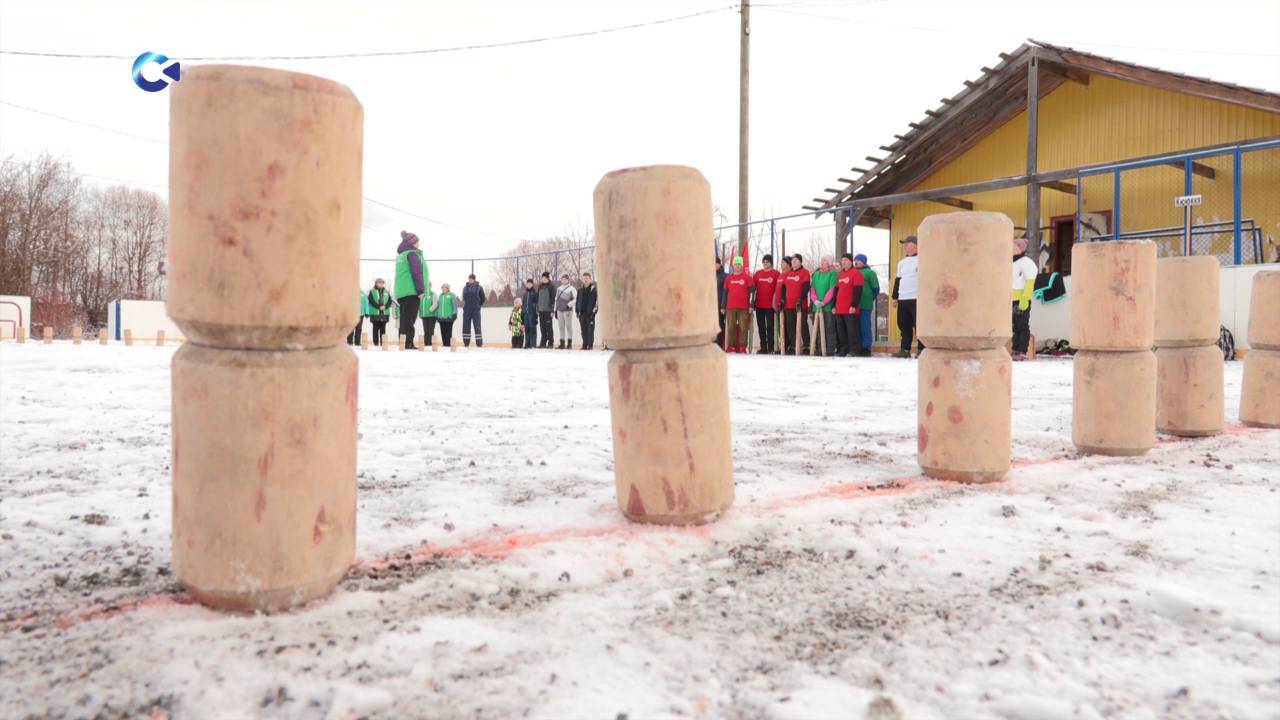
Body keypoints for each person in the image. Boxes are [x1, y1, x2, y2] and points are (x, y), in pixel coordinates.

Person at [394, 231, 428, 350]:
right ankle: (408, 343)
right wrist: (420, 290)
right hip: (411, 291)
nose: (419, 243)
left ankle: (403, 342)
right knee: (410, 319)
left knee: (404, 318)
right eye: (417, 241)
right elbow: (417, 272)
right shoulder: (412, 254)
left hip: (402, 292)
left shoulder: (401, 256)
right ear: (412, 243)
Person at [891, 235, 922, 358]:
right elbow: (898, 280)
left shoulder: (923, 259)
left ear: (916, 245)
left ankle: (921, 350)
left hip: (917, 297)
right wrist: (895, 297)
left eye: (907, 244)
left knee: (919, 325)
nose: (904, 246)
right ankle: (904, 350)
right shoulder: (901, 263)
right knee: (904, 325)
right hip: (903, 298)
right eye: (904, 244)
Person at [1011, 236, 1038, 361]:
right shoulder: (1011, 262)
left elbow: (1030, 281)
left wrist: (1025, 298)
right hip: (1011, 299)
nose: (1011, 248)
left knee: (1022, 324)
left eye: (1014, 246)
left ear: (1020, 248)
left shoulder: (1026, 262)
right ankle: (1015, 349)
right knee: (1014, 325)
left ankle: (1022, 350)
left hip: (1021, 299)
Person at [833, 253, 864, 357]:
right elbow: (836, 291)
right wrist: (834, 305)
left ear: (851, 261)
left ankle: (854, 350)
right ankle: (844, 349)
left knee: (852, 330)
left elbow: (858, 291)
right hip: (839, 308)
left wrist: (854, 305)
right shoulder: (840, 274)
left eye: (846, 260)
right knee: (841, 331)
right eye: (842, 260)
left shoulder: (856, 273)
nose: (844, 262)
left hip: (850, 308)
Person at [722, 256, 755, 353]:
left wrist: (751, 305)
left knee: (743, 327)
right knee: (731, 327)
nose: (737, 266)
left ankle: (742, 347)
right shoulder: (728, 278)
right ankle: (731, 346)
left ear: (742, 265)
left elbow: (752, 293)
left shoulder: (748, 278)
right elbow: (725, 293)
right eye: (736, 264)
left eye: (739, 264)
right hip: (730, 307)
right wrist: (723, 306)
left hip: (744, 307)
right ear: (733, 265)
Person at [781, 254, 811, 355]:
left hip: (800, 305)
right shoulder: (788, 273)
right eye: (793, 260)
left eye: (796, 260)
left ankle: (807, 345)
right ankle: (794, 345)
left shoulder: (805, 272)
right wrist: (782, 300)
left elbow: (806, 287)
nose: (794, 261)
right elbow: (783, 287)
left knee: (802, 325)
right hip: (788, 305)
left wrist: (800, 299)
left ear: (800, 261)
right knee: (790, 325)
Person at [809, 256, 838, 356]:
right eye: (821, 261)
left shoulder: (832, 273)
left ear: (829, 263)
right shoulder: (816, 274)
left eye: (825, 261)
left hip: (827, 306)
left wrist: (824, 302)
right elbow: (812, 289)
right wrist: (815, 300)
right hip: (816, 306)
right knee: (817, 329)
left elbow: (832, 289)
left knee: (829, 328)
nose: (823, 263)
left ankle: (829, 349)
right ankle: (819, 348)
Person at [752, 254, 780, 355]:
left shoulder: (776, 273)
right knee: (761, 327)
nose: (765, 264)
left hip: (770, 306)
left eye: (767, 262)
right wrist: (751, 303)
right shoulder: (757, 274)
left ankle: (771, 347)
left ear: (771, 263)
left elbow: (779, 289)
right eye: (763, 262)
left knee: (770, 326)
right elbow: (752, 288)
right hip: (759, 305)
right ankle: (763, 347)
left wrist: (777, 303)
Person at [854, 254, 880, 357]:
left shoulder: (870, 273)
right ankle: (857, 346)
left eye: (858, 260)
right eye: (855, 260)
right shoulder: (853, 272)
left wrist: (869, 298)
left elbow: (876, 289)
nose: (856, 262)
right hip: (853, 305)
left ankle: (866, 347)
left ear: (864, 262)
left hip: (865, 304)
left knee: (865, 325)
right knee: (855, 327)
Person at [461, 274, 486, 348]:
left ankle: (479, 344)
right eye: (469, 279)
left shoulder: (479, 287)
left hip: (476, 309)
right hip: (467, 309)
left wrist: (478, 305)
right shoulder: (465, 288)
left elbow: (483, 298)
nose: (470, 280)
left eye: (472, 279)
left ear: (474, 279)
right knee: (466, 326)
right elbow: (464, 298)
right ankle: (466, 343)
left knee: (477, 326)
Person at [554, 274, 578, 349]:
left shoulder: (572, 289)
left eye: (565, 279)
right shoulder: (559, 289)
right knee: (561, 327)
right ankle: (562, 343)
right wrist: (555, 310)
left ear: (568, 280)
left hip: (567, 310)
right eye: (562, 279)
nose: (563, 280)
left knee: (568, 326)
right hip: (559, 310)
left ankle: (569, 343)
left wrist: (569, 305)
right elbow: (556, 300)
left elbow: (576, 299)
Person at [367, 278, 392, 347]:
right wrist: (379, 307)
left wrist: (385, 306)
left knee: (383, 329)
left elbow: (390, 301)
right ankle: (376, 343)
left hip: (384, 313)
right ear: (376, 283)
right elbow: (371, 301)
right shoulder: (372, 291)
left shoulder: (387, 291)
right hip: (375, 313)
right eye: (379, 282)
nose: (381, 284)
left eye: (382, 283)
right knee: (375, 328)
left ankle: (383, 343)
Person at [576, 272, 598, 350]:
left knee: (590, 330)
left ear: (590, 279)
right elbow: (577, 301)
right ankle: (584, 345)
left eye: (587, 278)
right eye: (584, 278)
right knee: (583, 330)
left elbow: (596, 302)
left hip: (590, 314)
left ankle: (590, 345)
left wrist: (593, 313)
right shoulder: (580, 290)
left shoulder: (594, 290)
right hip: (581, 313)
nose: (585, 280)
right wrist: (577, 311)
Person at [536, 272, 555, 348]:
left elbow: (554, 299)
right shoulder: (540, 286)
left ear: (548, 278)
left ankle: (550, 343)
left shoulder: (552, 287)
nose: (543, 279)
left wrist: (552, 310)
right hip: (541, 310)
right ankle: (543, 343)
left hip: (548, 311)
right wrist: (537, 308)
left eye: (545, 278)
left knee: (549, 328)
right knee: (542, 327)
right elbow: (538, 298)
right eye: (542, 278)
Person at [521, 278, 539, 349]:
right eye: (527, 283)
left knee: (532, 329)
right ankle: (527, 344)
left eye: (530, 283)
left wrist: (535, 314)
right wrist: (523, 312)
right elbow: (523, 304)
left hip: (532, 313)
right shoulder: (525, 293)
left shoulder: (534, 293)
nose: (528, 285)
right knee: (527, 329)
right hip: (526, 314)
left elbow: (537, 304)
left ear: (532, 284)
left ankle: (533, 344)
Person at [715, 256, 728, 348]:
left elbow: (726, 291)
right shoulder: (707, 275)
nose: (714, 265)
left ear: (720, 264)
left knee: (719, 325)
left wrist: (723, 305)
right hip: (709, 305)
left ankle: (719, 344)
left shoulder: (725, 276)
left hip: (720, 305)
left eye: (716, 263)